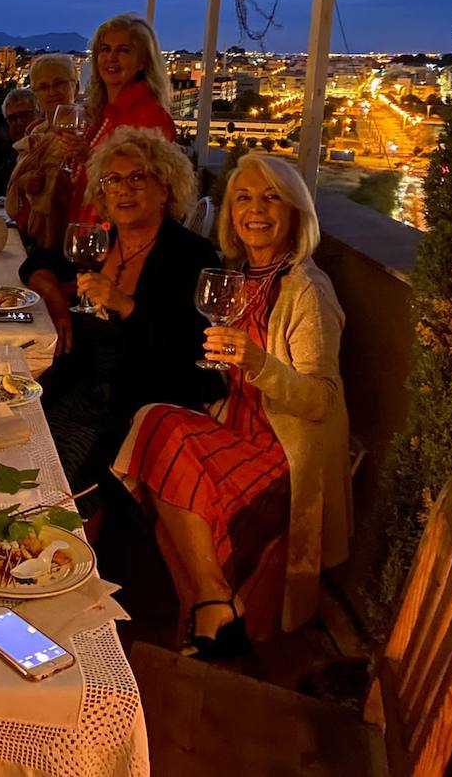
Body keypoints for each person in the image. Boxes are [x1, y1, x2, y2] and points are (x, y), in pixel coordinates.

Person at [111, 153, 350, 656]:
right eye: (243, 198)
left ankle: (208, 610)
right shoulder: (239, 276)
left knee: (166, 438)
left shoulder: (307, 289)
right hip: (237, 423)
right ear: (230, 215)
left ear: (295, 213)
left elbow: (321, 401)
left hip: (279, 449)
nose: (255, 210)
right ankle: (215, 601)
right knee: (153, 418)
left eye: (271, 198)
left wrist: (258, 362)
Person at [22, 129, 220, 495]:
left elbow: (190, 359)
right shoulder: (100, 242)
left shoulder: (191, 256)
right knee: (9, 447)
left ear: (165, 189)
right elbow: (36, 263)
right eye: (112, 179)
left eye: (137, 178)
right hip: (76, 389)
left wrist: (126, 306)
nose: (122, 189)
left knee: (55, 481)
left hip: (139, 402)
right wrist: (52, 295)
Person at [68, 14, 177, 222]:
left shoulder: (149, 117)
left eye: (123, 50)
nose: (111, 58)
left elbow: (141, 186)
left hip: (118, 236)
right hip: (89, 228)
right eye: (105, 49)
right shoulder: (104, 114)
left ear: (143, 61)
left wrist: (88, 157)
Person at [7, 55, 79, 249]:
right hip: (30, 237)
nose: (52, 92)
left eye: (60, 83)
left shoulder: (88, 132)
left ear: (76, 87)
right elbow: (18, 185)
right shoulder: (34, 134)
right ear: (36, 94)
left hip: (68, 239)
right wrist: (24, 183)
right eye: (44, 87)